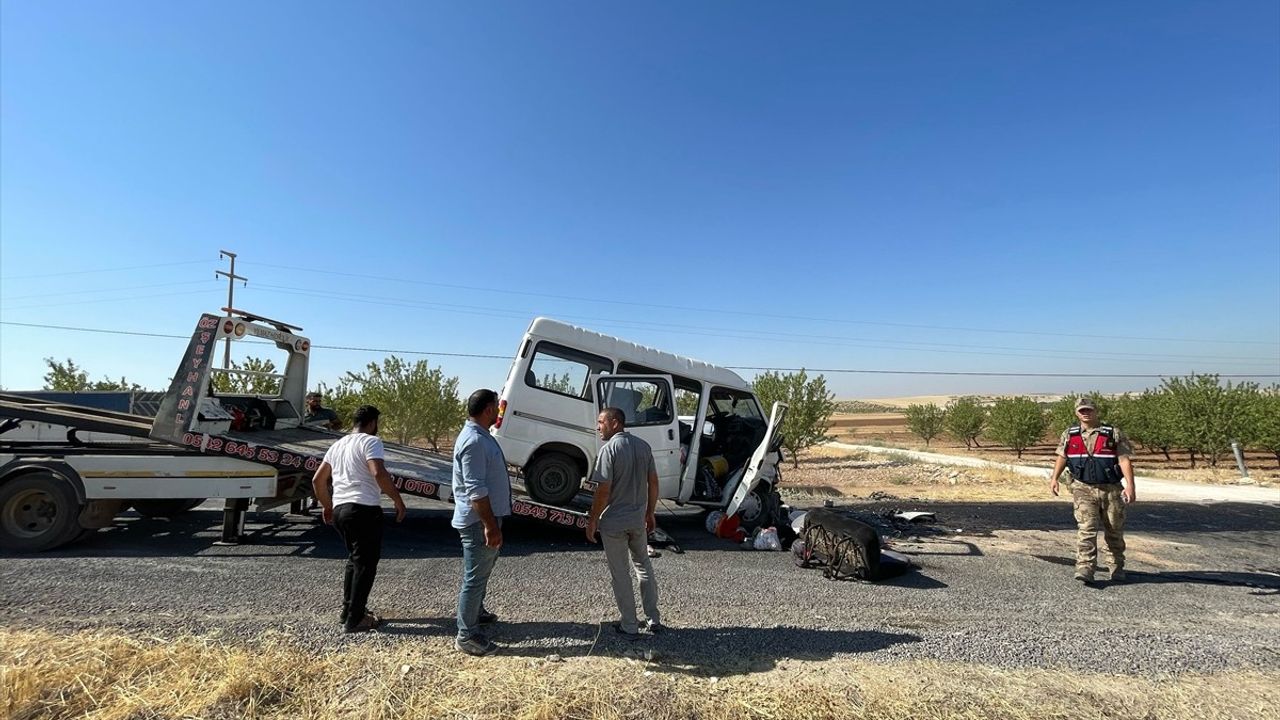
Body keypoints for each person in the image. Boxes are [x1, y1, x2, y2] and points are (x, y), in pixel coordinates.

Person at [311, 405, 407, 633]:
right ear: (372, 422)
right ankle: (355, 619)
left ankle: (348, 611)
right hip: (363, 509)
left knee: (354, 561)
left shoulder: (337, 445)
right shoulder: (370, 441)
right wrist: (397, 500)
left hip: (342, 509)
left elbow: (318, 480)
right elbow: (378, 472)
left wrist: (328, 506)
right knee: (366, 564)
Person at [585, 407, 663, 638]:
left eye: (601, 422)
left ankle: (629, 624)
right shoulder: (643, 447)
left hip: (614, 524)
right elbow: (654, 483)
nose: (598, 427)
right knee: (644, 567)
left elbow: (603, 490)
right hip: (637, 520)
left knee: (620, 574)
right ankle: (653, 619)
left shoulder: (609, 450)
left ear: (615, 423)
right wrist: (650, 512)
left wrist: (592, 520)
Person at [1049, 397, 1137, 584]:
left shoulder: (1112, 433)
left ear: (1096, 411)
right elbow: (1062, 457)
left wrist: (1130, 485)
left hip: (1111, 489)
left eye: (1089, 409)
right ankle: (1085, 567)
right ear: (1076, 413)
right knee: (1086, 529)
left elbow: (1124, 460)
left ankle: (1116, 566)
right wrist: (1054, 478)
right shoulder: (1069, 434)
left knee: (1114, 529)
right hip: (1083, 488)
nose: (1085, 413)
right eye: (1082, 410)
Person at [451, 389, 512, 656]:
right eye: (497, 407)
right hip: (478, 521)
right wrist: (490, 525)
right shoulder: (474, 441)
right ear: (488, 409)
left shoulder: (480, 436)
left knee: (481, 573)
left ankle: (476, 613)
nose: (499, 411)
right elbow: (476, 490)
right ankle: (467, 636)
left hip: (483, 519)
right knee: (474, 579)